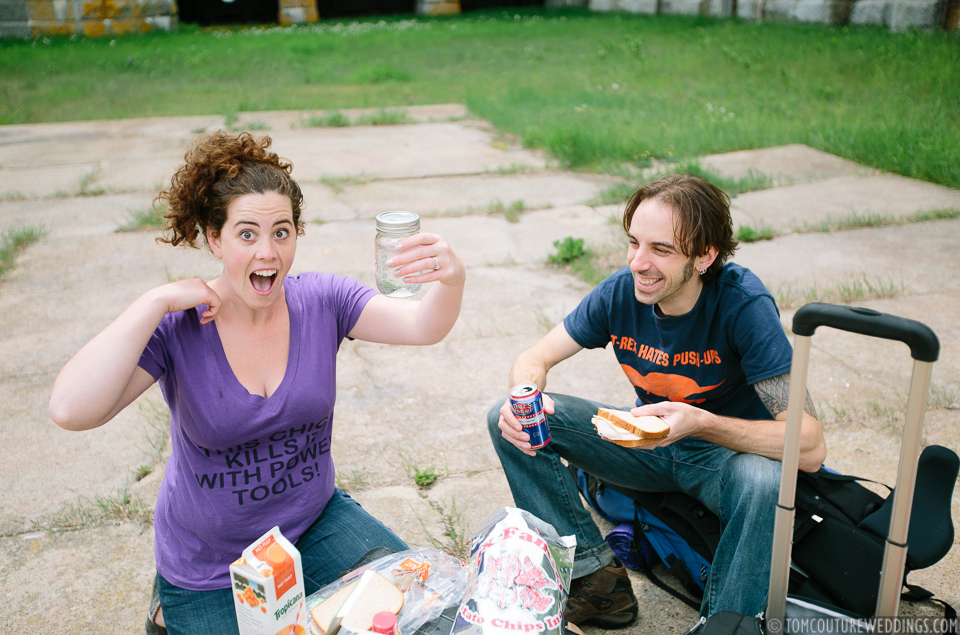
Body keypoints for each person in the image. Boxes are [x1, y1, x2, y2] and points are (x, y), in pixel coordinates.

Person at [48, 131, 466, 635]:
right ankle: (166, 608)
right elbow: (71, 410)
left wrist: (451, 280)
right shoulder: (179, 327)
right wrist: (153, 302)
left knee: (434, 619)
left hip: (313, 525)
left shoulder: (323, 300)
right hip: (211, 567)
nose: (268, 252)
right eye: (247, 234)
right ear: (214, 238)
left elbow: (423, 326)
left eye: (282, 232)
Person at [487, 174, 826, 627]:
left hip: (725, 459)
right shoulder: (619, 292)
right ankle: (596, 581)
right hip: (648, 445)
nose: (638, 263)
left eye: (661, 250)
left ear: (705, 255)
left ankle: (728, 623)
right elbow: (536, 356)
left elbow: (810, 445)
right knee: (505, 419)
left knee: (766, 480)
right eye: (634, 243)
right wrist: (525, 400)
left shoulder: (742, 304)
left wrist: (701, 423)